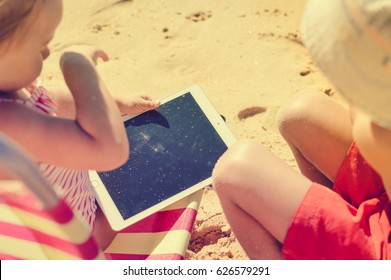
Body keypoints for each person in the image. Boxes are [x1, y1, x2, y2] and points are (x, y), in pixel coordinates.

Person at [212, 0, 391, 259]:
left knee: (233, 170)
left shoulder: (377, 131)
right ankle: (334, 228)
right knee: (300, 113)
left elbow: (368, 128)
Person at [0, 0, 159, 247]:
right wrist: (81, 69)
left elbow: (53, 100)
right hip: (66, 245)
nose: (47, 54)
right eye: (41, 45)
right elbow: (109, 151)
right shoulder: (8, 125)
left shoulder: (13, 90)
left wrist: (117, 102)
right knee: (150, 191)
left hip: (67, 207)